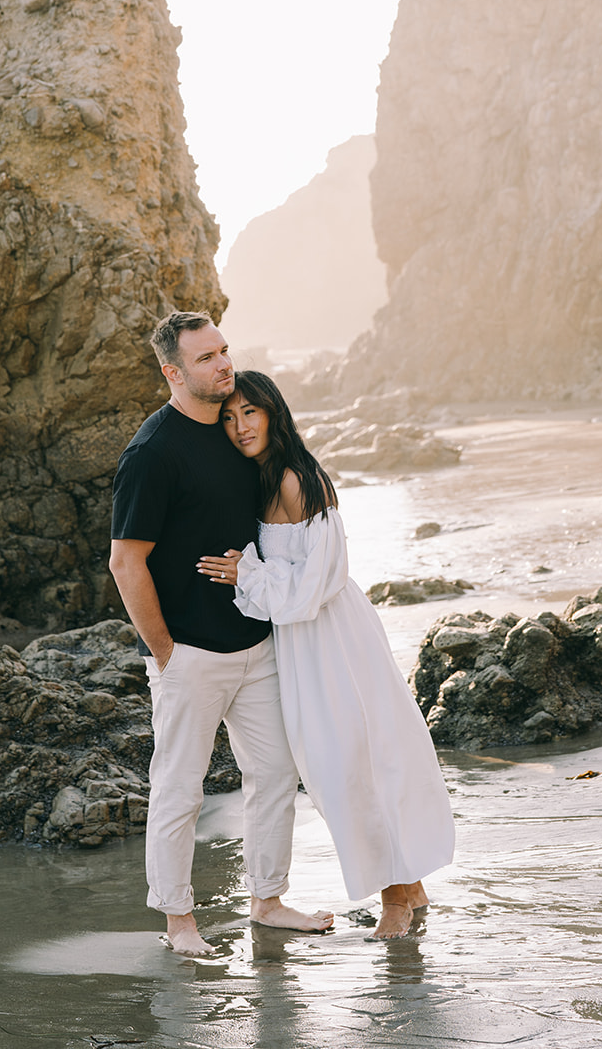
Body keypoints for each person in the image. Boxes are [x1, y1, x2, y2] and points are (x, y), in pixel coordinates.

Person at [197, 370, 456, 940]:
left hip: (334, 638)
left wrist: (247, 572)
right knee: (335, 766)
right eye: (230, 417)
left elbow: (315, 586)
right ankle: (409, 887)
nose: (241, 426)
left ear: (273, 413)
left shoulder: (296, 478)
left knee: (360, 760)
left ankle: (396, 899)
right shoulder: (261, 479)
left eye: (251, 413)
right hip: (299, 645)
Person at [109, 313, 334, 957]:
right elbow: (126, 562)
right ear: (172, 372)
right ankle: (178, 920)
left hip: (256, 645)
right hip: (191, 654)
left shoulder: (241, 439)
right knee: (180, 787)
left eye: (224, 351)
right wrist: (164, 653)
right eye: (205, 358)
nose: (223, 364)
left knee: (273, 774)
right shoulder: (152, 453)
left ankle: (267, 901)